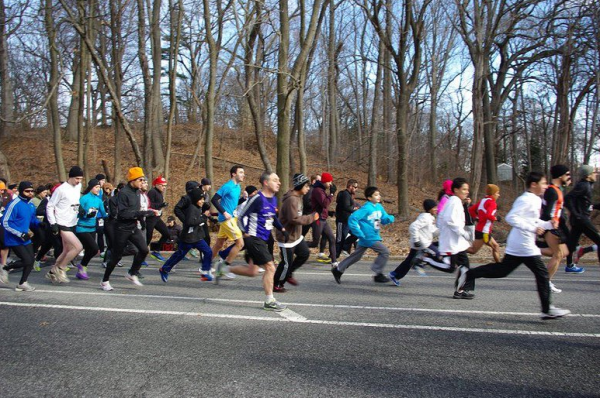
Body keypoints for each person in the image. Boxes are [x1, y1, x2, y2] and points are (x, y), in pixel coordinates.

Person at [457, 172, 571, 319]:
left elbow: (533, 221)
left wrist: (549, 224)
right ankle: (547, 309)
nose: (546, 186)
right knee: (542, 273)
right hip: (523, 244)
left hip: (522, 243)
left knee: (503, 271)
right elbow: (511, 218)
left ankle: (469, 274)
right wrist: (533, 228)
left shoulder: (535, 199)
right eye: (543, 183)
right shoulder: (525, 199)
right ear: (533, 184)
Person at [234, 171, 286, 311]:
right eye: (275, 180)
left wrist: (282, 229)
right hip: (254, 238)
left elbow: (273, 217)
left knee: (252, 271)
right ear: (265, 182)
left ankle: (224, 268)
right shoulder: (257, 198)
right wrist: (245, 233)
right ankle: (269, 301)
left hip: (264, 239)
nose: (279, 183)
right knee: (270, 267)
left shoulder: (273, 198)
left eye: (279, 180)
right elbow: (241, 216)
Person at [101, 167, 158, 291]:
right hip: (122, 229)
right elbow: (123, 214)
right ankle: (105, 280)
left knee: (143, 250)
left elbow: (137, 211)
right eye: (140, 179)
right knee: (116, 257)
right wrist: (143, 214)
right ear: (132, 180)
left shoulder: (137, 192)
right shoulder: (124, 193)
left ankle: (132, 273)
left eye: (143, 179)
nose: (142, 182)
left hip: (133, 227)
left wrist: (144, 218)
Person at [331, 186, 395, 284]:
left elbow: (383, 218)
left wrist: (389, 218)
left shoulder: (379, 207)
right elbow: (353, 219)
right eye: (376, 195)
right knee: (385, 252)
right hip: (368, 236)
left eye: (379, 194)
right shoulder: (366, 208)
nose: (379, 196)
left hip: (372, 235)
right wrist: (358, 232)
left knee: (356, 256)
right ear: (369, 198)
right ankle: (378, 273)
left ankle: (338, 269)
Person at [273, 173, 319, 292]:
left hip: (296, 236)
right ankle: (277, 283)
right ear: (300, 186)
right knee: (286, 263)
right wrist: (311, 218)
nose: (308, 188)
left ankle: (288, 274)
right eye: (306, 186)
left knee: (304, 254)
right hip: (286, 237)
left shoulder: (298, 197)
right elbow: (293, 219)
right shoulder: (292, 199)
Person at [159, 188, 212, 283]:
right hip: (188, 238)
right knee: (179, 255)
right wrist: (203, 217)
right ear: (196, 199)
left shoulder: (198, 207)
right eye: (201, 199)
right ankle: (164, 269)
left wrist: (207, 217)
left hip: (196, 237)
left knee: (208, 251)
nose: (203, 201)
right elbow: (190, 222)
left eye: (203, 199)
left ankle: (205, 272)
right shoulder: (192, 209)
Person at [46, 166, 85, 284]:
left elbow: (75, 200)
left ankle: (52, 271)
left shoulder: (78, 186)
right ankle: (61, 268)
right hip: (61, 223)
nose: (79, 181)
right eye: (77, 178)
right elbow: (50, 206)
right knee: (78, 247)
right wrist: (53, 223)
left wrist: (80, 208)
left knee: (67, 249)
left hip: (72, 221)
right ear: (71, 177)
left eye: (81, 179)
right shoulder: (60, 190)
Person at [389, 199, 440, 286]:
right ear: (429, 209)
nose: (436, 209)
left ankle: (395, 275)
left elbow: (432, 231)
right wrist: (416, 240)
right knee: (437, 253)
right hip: (421, 243)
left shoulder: (430, 218)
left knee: (409, 261)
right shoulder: (425, 217)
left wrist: (442, 230)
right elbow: (413, 227)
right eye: (434, 207)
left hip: (422, 243)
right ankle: (419, 263)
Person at [437, 177, 474, 299]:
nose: (467, 191)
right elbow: (449, 219)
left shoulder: (456, 201)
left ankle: (460, 290)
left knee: (463, 265)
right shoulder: (453, 201)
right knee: (451, 267)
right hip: (452, 241)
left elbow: (443, 218)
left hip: (457, 242)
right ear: (456, 190)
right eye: (464, 189)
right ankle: (425, 257)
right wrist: (462, 232)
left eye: (467, 189)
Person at [0, 182, 40, 291]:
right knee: (26, 260)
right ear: (21, 191)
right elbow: (5, 222)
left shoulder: (30, 204)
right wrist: (19, 234)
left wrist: (39, 224)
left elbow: (32, 219)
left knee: (31, 260)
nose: (30, 193)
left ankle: (23, 283)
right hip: (13, 238)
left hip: (25, 237)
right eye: (27, 191)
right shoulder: (14, 204)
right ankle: (5, 267)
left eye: (32, 191)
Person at [539, 164, 572, 293]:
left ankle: (534, 250)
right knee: (558, 254)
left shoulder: (557, 189)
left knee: (564, 252)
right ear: (560, 175)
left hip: (555, 225)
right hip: (551, 226)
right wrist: (547, 224)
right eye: (567, 174)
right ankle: (546, 282)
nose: (569, 177)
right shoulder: (552, 191)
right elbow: (546, 212)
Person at [210, 165, 245, 279]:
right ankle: (223, 268)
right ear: (233, 174)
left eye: (243, 173)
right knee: (240, 244)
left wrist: (243, 199)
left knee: (218, 244)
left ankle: (206, 266)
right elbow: (214, 200)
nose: (243, 174)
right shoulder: (227, 186)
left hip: (232, 219)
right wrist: (224, 212)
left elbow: (233, 204)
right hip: (226, 220)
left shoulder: (238, 186)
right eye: (240, 172)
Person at [564, 165, 600, 272]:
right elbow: (567, 198)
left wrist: (594, 206)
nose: (596, 174)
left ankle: (570, 265)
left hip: (578, 220)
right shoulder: (583, 186)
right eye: (594, 172)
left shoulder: (587, 185)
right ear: (588, 175)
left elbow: (585, 203)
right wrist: (577, 214)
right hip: (582, 219)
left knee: (571, 244)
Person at [74, 179, 107, 280]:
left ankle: (82, 269)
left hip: (92, 228)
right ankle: (82, 266)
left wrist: (112, 215)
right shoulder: (84, 198)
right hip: (81, 228)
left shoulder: (98, 200)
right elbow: (76, 211)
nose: (98, 189)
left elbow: (104, 213)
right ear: (91, 187)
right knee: (94, 249)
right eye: (96, 187)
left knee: (90, 250)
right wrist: (84, 214)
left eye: (99, 187)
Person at [307, 172, 337, 265]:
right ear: (324, 182)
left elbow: (323, 206)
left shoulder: (322, 190)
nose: (330, 184)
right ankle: (296, 245)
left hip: (323, 219)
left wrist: (329, 212)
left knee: (332, 239)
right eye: (329, 182)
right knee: (315, 243)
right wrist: (331, 194)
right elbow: (324, 203)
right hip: (318, 219)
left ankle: (334, 262)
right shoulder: (317, 190)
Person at [467, 184, 501, 263]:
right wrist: (496, 218)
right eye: (497, 193)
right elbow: (489, 215)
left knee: (496, 246)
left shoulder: (483, 200)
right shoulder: (492, 203)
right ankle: (455, 250)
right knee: (473, 250)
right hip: (484, 232)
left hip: (481, 230)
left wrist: (476, 217)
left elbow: (471, 210)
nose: (498, 195)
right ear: (493, 194)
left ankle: (499, 266)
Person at [146, 175, 170, 261]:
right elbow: (149, 205)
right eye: (162, 185)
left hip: (156, 218)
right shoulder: (152, 192)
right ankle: (140, 257)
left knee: (167, 233)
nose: (164, 187)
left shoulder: (160, 193)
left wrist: (161, 208)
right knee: (148, 237)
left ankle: (156, 251)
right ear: (156, 185)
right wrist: (161, 205)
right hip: (150, 218)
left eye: (165, 186)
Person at [335, 179, 359, 258]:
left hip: (349, 221)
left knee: (356, 234)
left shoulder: (349, 195)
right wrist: (354, 208)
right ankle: (335, 256)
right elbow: (346, 207)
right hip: (342, 220)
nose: (356, 189)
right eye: (355, 187)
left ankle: (344, 248)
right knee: (340, 238)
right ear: (350, 186)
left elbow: (350, 206)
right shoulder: (345, 194)